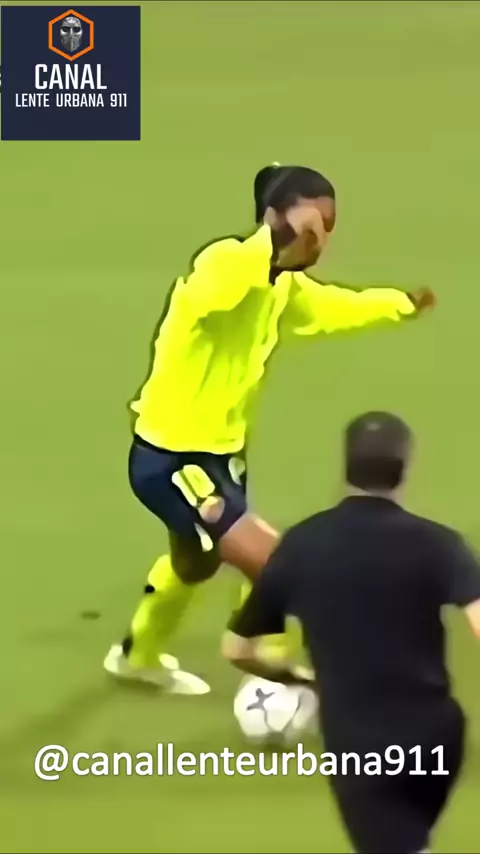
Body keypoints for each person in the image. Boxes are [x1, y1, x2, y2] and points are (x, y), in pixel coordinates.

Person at [104, 163, 435, 695]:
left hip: (221, 457)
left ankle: (137, 656)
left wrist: (400, 304)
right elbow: (212, 294)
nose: (323, 238)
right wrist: (273, 247)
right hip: (173, 459)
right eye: (313, 224)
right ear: (275, 219)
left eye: (330, 225)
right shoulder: (227, 263)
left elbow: (334, 306)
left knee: (195, 564)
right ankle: (279, 679)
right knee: (280, 564)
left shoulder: (284, 288)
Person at [224, 411, 480, 854]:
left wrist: (298, 677)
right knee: (408, 836)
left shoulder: (302, 545)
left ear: (346, 466)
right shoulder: (440, 543)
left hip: (362, 749)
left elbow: (237, 649)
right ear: (406, 466)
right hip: (437, 737)